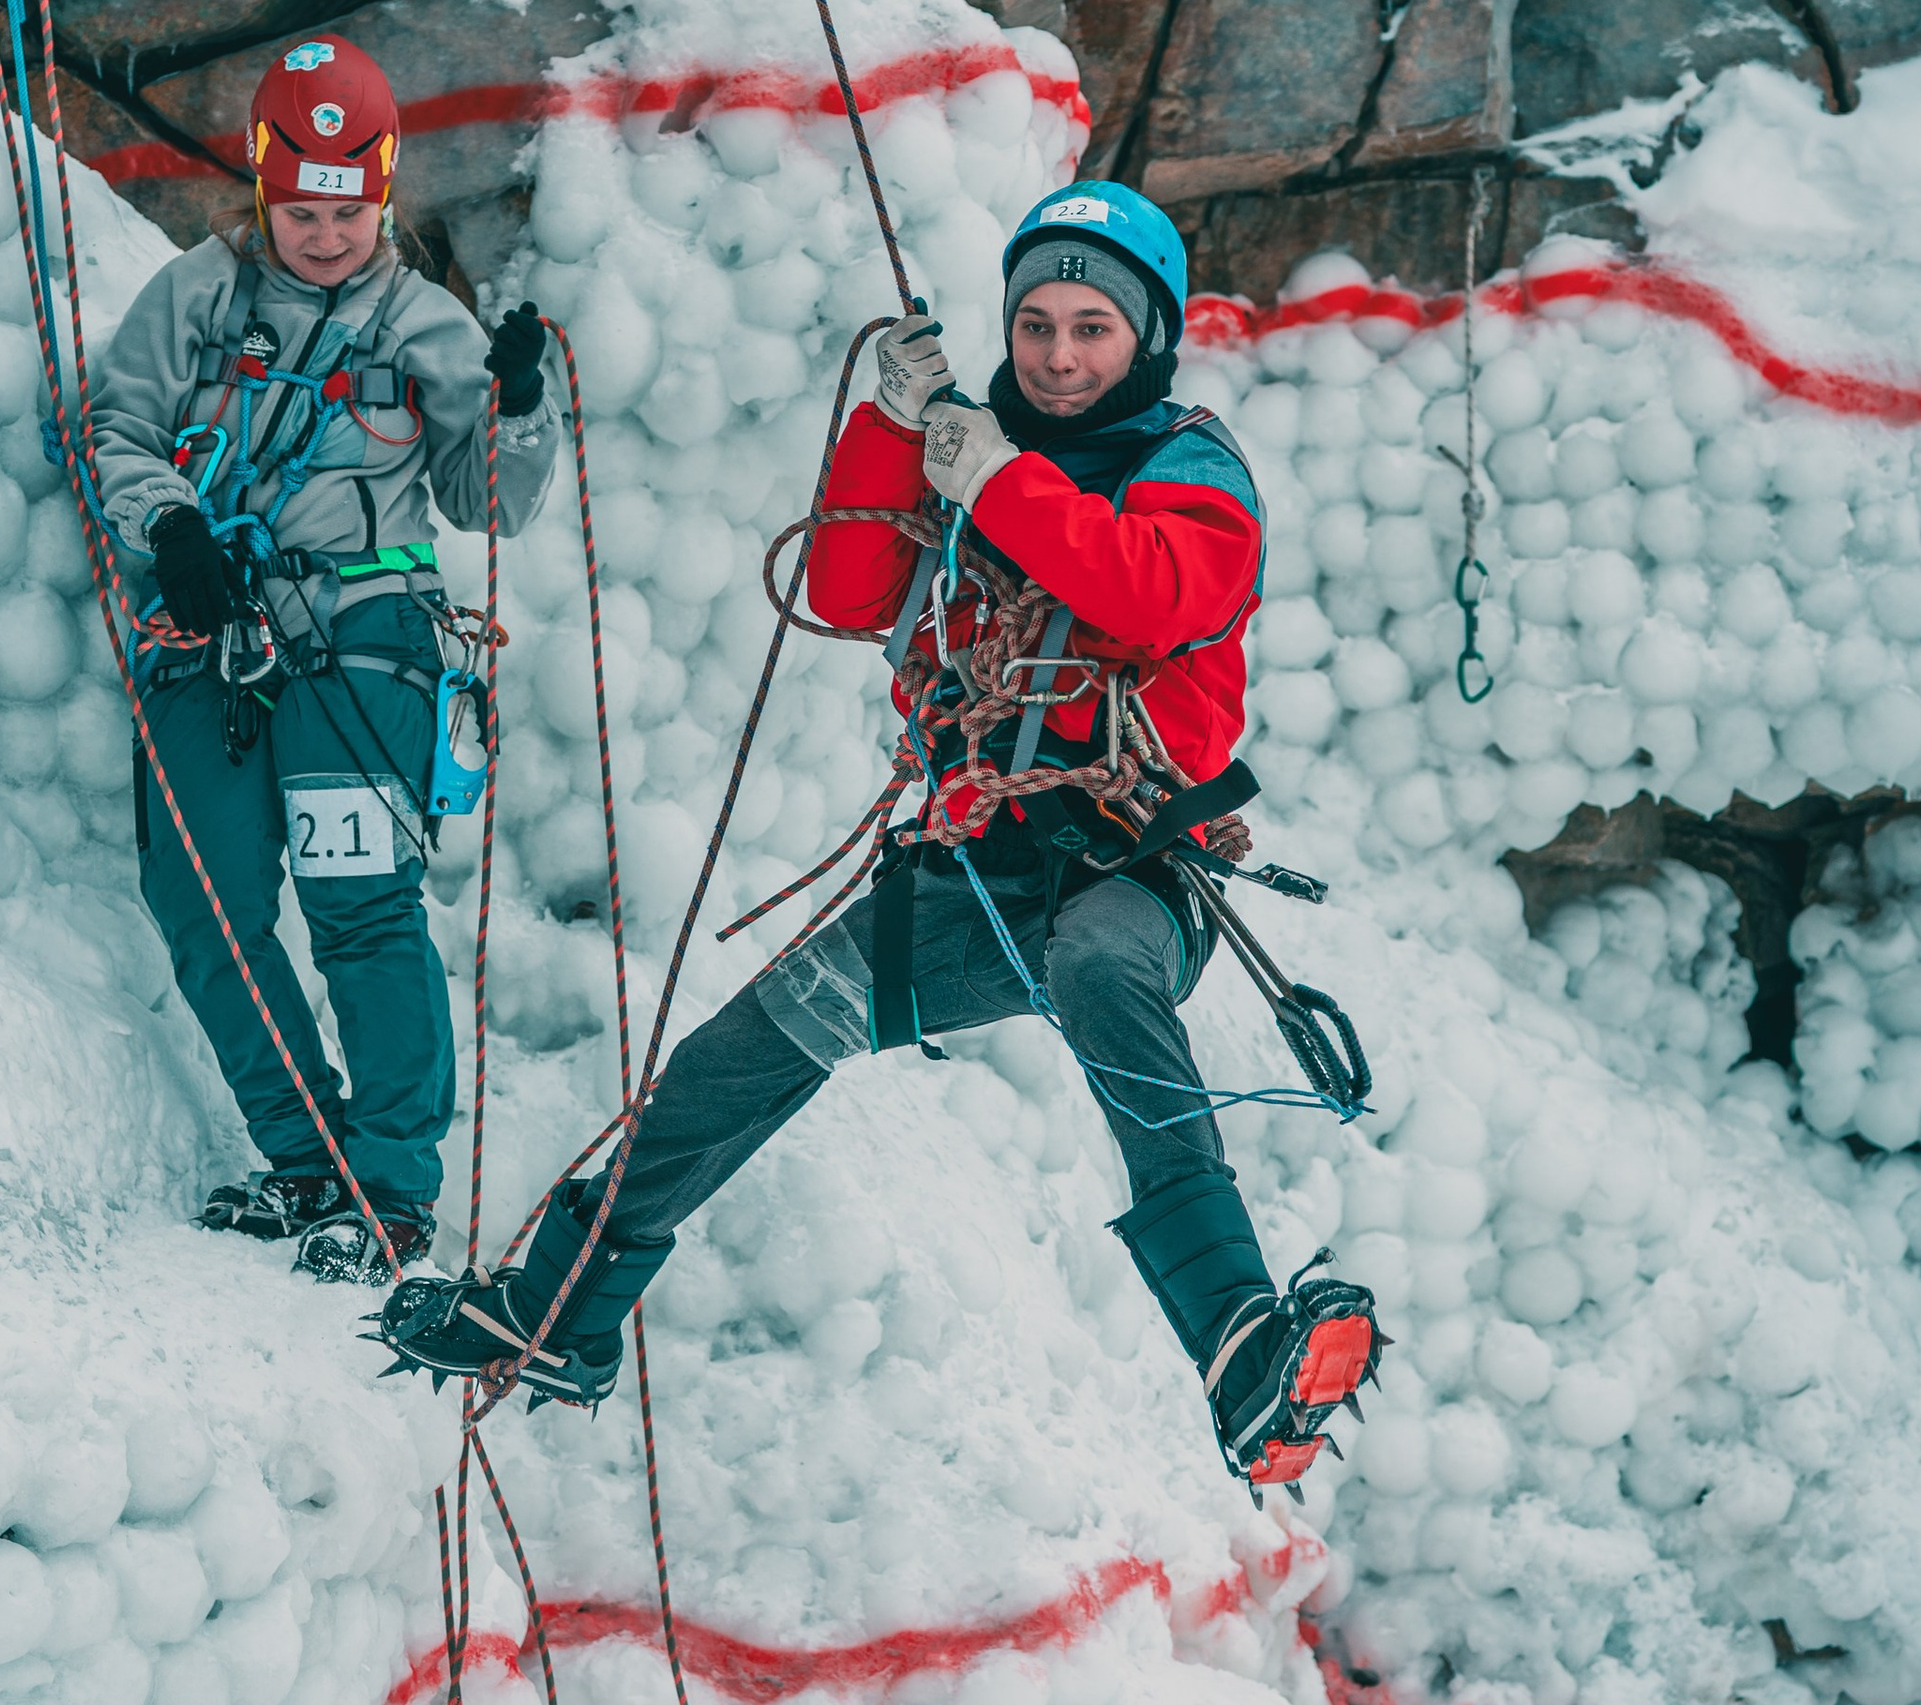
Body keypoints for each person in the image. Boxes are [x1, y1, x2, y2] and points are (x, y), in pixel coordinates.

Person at [375, 180, 1382, 1488]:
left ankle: (1242, 1348)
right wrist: (891, 429)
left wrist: (1002, 478)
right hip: (977, 861)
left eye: (1092, 328)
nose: (1061, 356)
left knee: (1102, 973)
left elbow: (1156, 590)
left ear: (1148, 336)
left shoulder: (1190, 468)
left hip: (1132, 862)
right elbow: (850, 589)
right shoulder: (976, 460)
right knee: (751, 1046)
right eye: (1038, 327)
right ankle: (560, 1309)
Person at [98, 36, 555, 1281]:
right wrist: (172, 525)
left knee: (358, 909)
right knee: (202, 904)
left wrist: (517, 407)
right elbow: (118, 429)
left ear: (385, 192)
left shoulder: (425, 326)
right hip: (212, 628)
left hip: (365, 639)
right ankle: (306, 1162)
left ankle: (391, 1186)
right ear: (262, 184)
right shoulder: (193, 295)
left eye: (347, 214)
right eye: (300, 211)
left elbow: (486, 504)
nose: (324, 237)